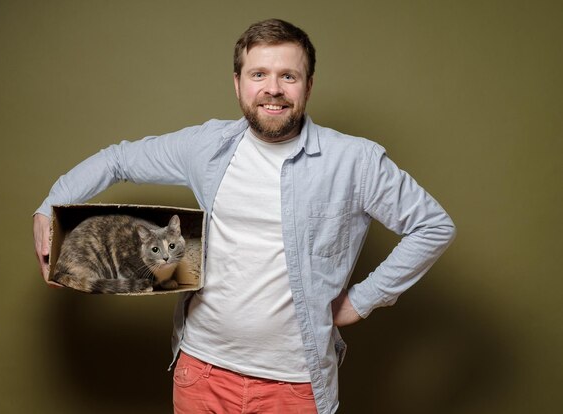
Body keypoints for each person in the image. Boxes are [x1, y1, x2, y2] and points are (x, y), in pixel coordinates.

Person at [33, 18, 456, 414]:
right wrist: (48, 207)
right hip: (201, 372)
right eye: (259, 75)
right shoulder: (206, 147)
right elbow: (119, 159)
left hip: (294, 386)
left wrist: (362, 301)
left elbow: (432, 226)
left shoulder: (355, 161)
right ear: (238, 84)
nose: (273, 89)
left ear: (308, 86)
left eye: (288, 76)